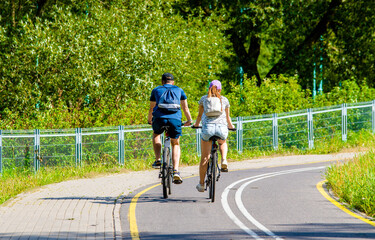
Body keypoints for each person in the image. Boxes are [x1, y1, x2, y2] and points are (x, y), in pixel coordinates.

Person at [147, 73, 193, 184]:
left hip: (159, 119)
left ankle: (158, 160)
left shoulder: (156, 90)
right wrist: (189, 120)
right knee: (175, 143)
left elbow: (151, 108)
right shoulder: (179, 90)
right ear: (173, 82)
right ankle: (176, 171)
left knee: (156, 134)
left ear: (162, 81)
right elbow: (185, 108)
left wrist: (150, 120)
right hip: (175, 119)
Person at [193, 80, 235, 192]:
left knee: (205, 157)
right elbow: (228, 118)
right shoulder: (224, 100)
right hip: (221, 128)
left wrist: (196, 125)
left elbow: (199, 116)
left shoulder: (203, 99)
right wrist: (231, 126)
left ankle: (201, 184)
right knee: (222, 141)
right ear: (220, 89)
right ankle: (224, 160)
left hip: (208, 129)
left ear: (209, 88)